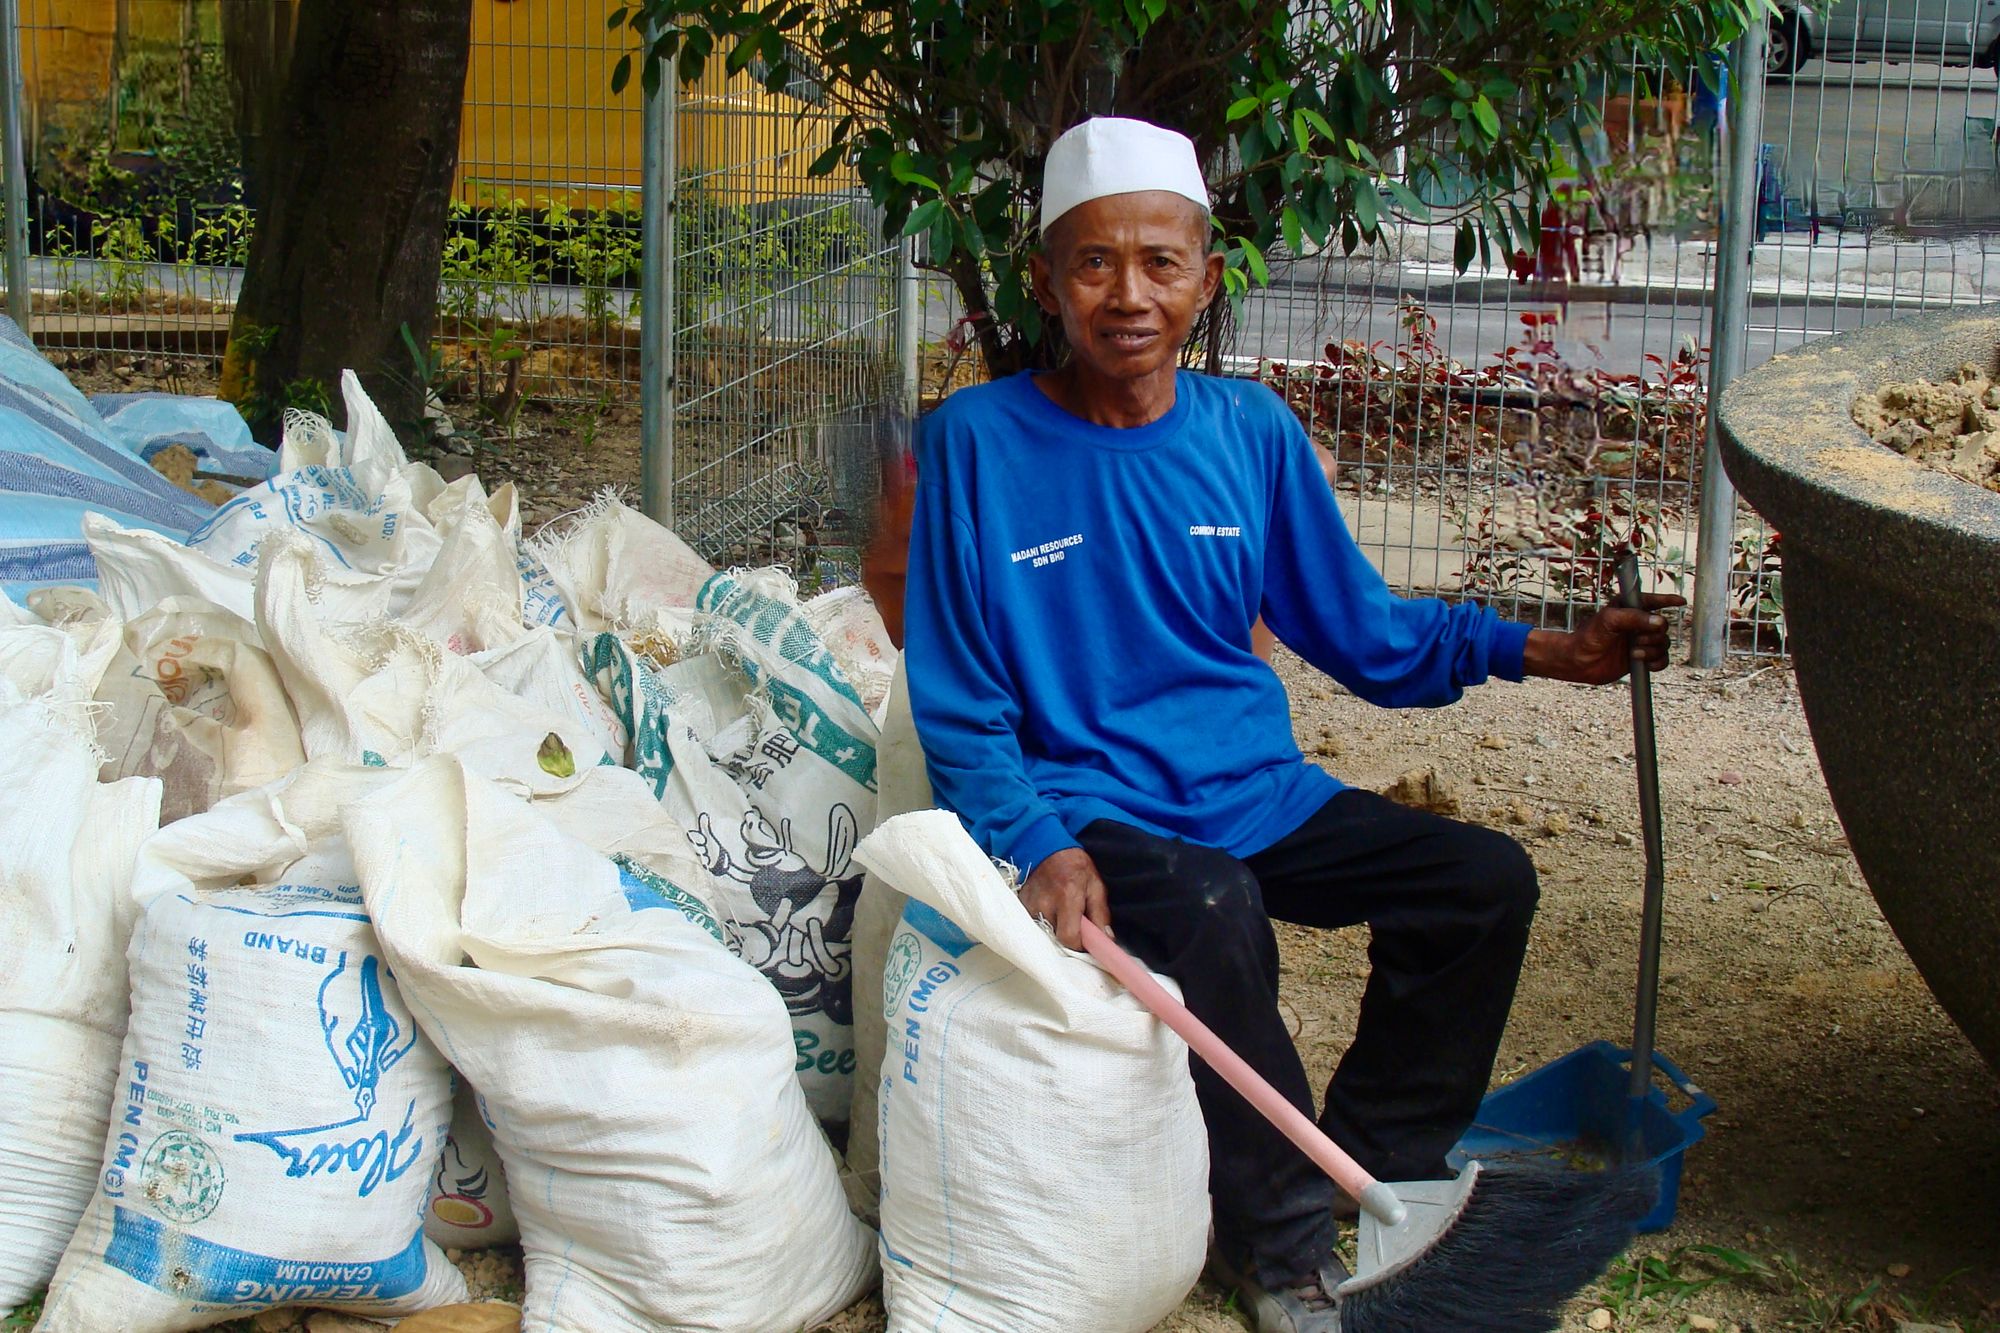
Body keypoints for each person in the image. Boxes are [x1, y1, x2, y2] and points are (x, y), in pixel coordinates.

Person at [900, 116, 1679, 1333]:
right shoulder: (973, 444)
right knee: (1215, 909)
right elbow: (956, 698)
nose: (1127, 294)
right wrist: (1036, 839)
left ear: (1206, 278)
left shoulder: (1246, 434)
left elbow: (1360, 631)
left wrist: (1543, 649)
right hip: (1096, 809)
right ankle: (1277, 1250)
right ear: (1046, 282)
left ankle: (1364, 1163)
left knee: (1478, 881)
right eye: (1093, 263)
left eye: (1160, 262)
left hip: (1255, 792)